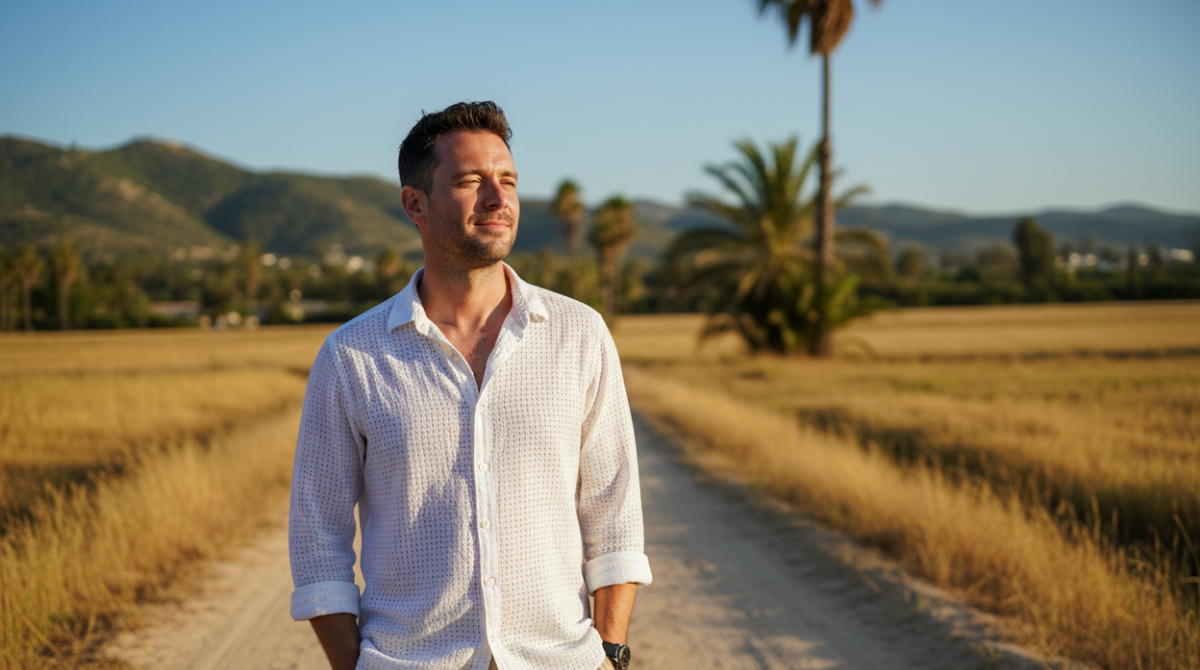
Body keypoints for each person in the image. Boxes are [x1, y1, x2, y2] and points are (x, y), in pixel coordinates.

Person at [288, 101, 652, 670]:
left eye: (507, 180)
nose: (497, 199)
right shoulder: (351, 357)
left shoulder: (579, 335)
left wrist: (609, 653)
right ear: (416, 204)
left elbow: (614, 516)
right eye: (469, 181)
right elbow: (317, 546)